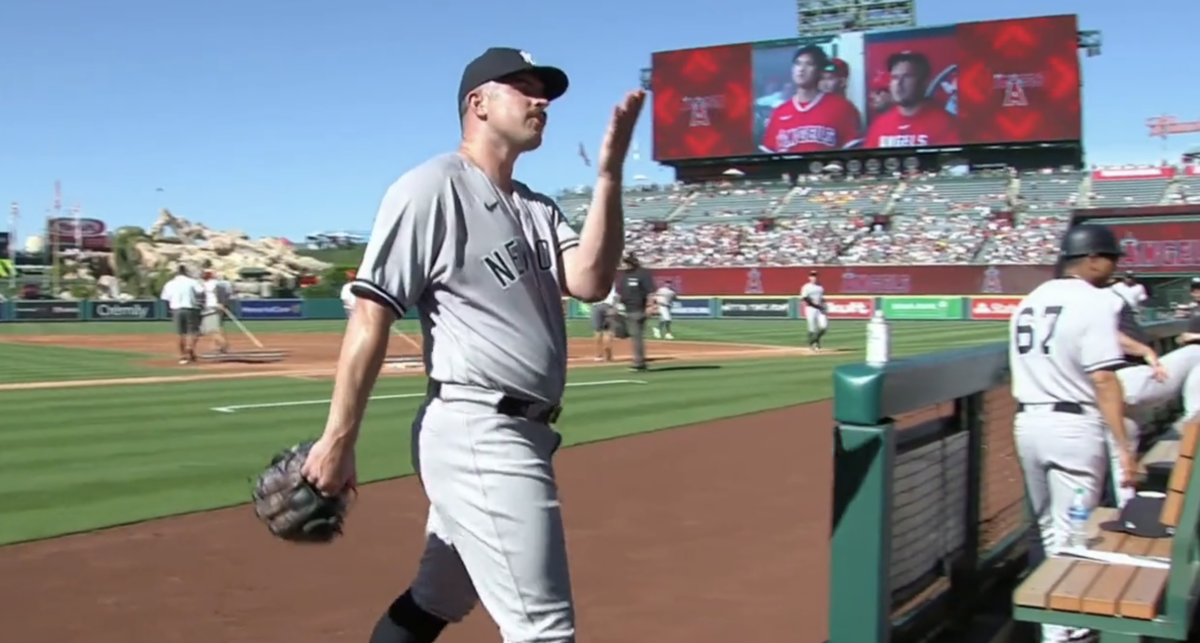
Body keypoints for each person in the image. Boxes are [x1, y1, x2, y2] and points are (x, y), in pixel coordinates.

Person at [299, 47, 643, 643]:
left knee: (436, 599)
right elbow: (371, 314)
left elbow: (590, 281)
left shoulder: (537, 207)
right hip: (480, 431)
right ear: (477, 103)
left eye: (546, 92)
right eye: (523, 87)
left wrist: (608, 176)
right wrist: (337, 439)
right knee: (544, 631)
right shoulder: (429, 189)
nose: (541, 100)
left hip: (518, 434)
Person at [1010, 224, 1135, 643]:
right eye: (1112, 258)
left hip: (1028, 424)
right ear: (1092, 259)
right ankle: (1069, 631)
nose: (1115, 267)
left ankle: (1055, 629)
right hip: (1073, 430)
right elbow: (1103, 380)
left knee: (1049, 530)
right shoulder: (1098, 301)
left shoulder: (1029, 300)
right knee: (1073, 533)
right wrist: (1123, 447)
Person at [760, 45, 862, 153]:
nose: (801, 69)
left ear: (819, 71)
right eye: (798, 64)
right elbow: (769, 155)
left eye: (809, 64)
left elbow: (853, 153)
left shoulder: (842, 108)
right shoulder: (779, 112)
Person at [863, 51, 958, 149]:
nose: (899, 83)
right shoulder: (880, 125)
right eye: (895, 77)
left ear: (924, 82)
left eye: (907, 76)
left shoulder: (945, 124)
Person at [618, 253, 655, 371]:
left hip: (638, 309)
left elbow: (651, 291)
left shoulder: (643, 274)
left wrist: (650, 306)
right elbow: (620, 291)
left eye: (627, 263)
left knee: (636, 336)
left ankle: (639, 362)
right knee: (623, 331)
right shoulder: (624, 275)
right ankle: (639, 360)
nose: (624, 265)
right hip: (626, 309)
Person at [159, 265, 203, 364]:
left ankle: (183, 356)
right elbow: (201, 291)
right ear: (186, 272)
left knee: (180, 333)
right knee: (193, 332)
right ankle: (190, 349)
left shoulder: (170, 283)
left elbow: (165, 298)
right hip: (191, 308)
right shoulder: (192, 282)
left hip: (176, 308)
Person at [818, 58, 864, 125]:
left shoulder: (848, 111)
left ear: (843, 82)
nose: (824, 84)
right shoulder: (815, 109)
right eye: (821, 79)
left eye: (829, 78)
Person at [199, 270, 231, 354]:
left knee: (212, 328)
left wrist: (220, 302)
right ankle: (219, 346)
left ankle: (223, 345)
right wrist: (223, 303)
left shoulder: (208, 284)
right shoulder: (218, 283)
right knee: (218, 326)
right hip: (217, 306)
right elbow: (226, 293)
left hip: (212, 307)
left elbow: (202, 296)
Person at [800, 270, 828, 352]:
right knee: (812, 328)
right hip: (810, 309)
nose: (814, 277)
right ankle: (814, 344)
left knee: (824, 327)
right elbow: (805, 298)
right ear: (809, 277)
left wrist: (824, 304)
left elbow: (821, 297)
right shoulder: (806, 287)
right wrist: (816, 305)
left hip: (820, 309)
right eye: (812, 276)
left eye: (815, 276)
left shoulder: (820, 286)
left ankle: (814, 340)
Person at [591, 285, 619, 362]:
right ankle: (608, 356)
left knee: (598, 331)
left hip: (597, 306)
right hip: (608, 306)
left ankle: (598, 355)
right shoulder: (610, 282)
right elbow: (615, 296)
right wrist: (615, 308)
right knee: (608, 331)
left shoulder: (596, 282)